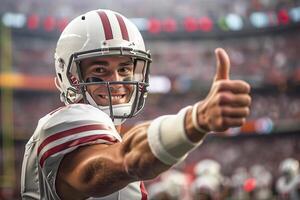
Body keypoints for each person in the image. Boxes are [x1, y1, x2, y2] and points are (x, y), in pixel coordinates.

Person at [21, 9, 251, 200]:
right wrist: (194, 121)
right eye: (100, 70)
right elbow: (121, 161)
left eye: (124, 69)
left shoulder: (106, 135)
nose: (117, 81)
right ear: (68, 76)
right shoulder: (66, 121)